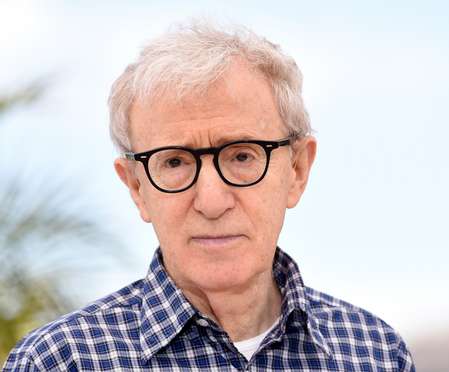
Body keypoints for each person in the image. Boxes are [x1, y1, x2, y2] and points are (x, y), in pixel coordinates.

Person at [3, 21, 415, 371]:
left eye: (241, 155)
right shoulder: (59, 362)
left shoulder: (375, 354)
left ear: (296, 170)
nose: (212, 201)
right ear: (136, 187)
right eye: (175, 162)